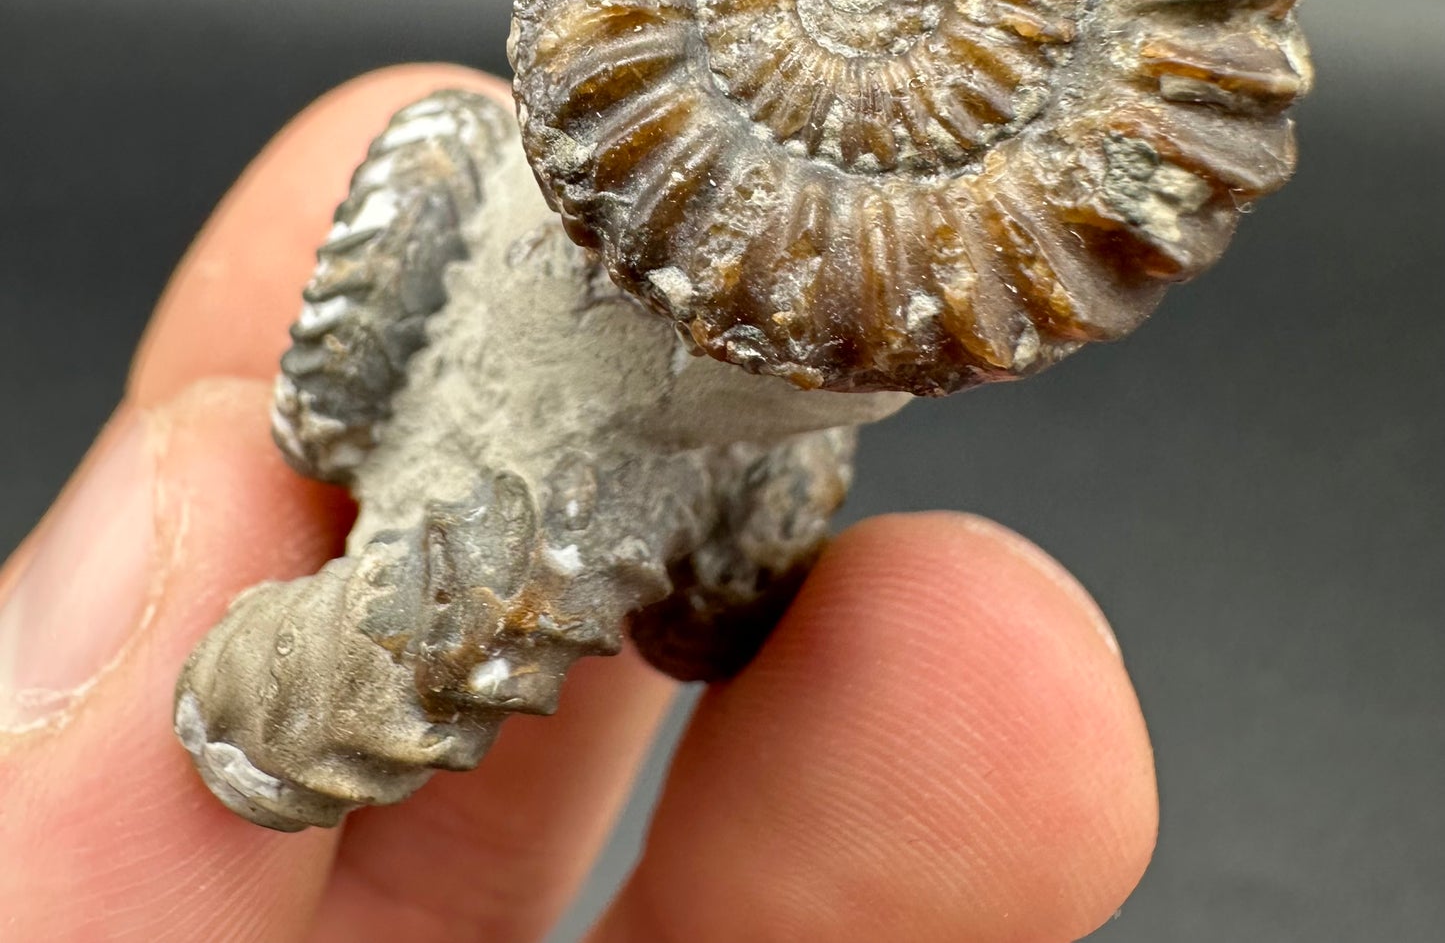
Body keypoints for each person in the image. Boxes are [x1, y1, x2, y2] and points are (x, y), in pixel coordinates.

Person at [0, 66, 1157, 942]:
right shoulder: (517, 204)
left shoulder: (791, 402)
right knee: (287, 693)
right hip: (512, 360)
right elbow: (270, 717)